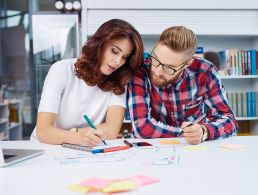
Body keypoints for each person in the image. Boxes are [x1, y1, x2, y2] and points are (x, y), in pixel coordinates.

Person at [31, 19, 144, 147]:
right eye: (114, 51)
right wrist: (79, 137)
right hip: (46, 148)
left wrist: (73, 134)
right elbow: (44, 131)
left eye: (124, 57)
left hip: (83, 150)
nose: (118, 61)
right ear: (100, 44)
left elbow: (111, 131)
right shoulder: (61, 69)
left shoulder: (119, 81)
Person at [127, 26, 238, 145]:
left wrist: (204, 131)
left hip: (192, 149)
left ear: (187, 63)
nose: (157, 71)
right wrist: (185, 133)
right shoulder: (139, 70)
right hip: (149, 149)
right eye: (156, 59)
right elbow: (142, 128)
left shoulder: (206, 72)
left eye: (169, 67)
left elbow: (229, 121)